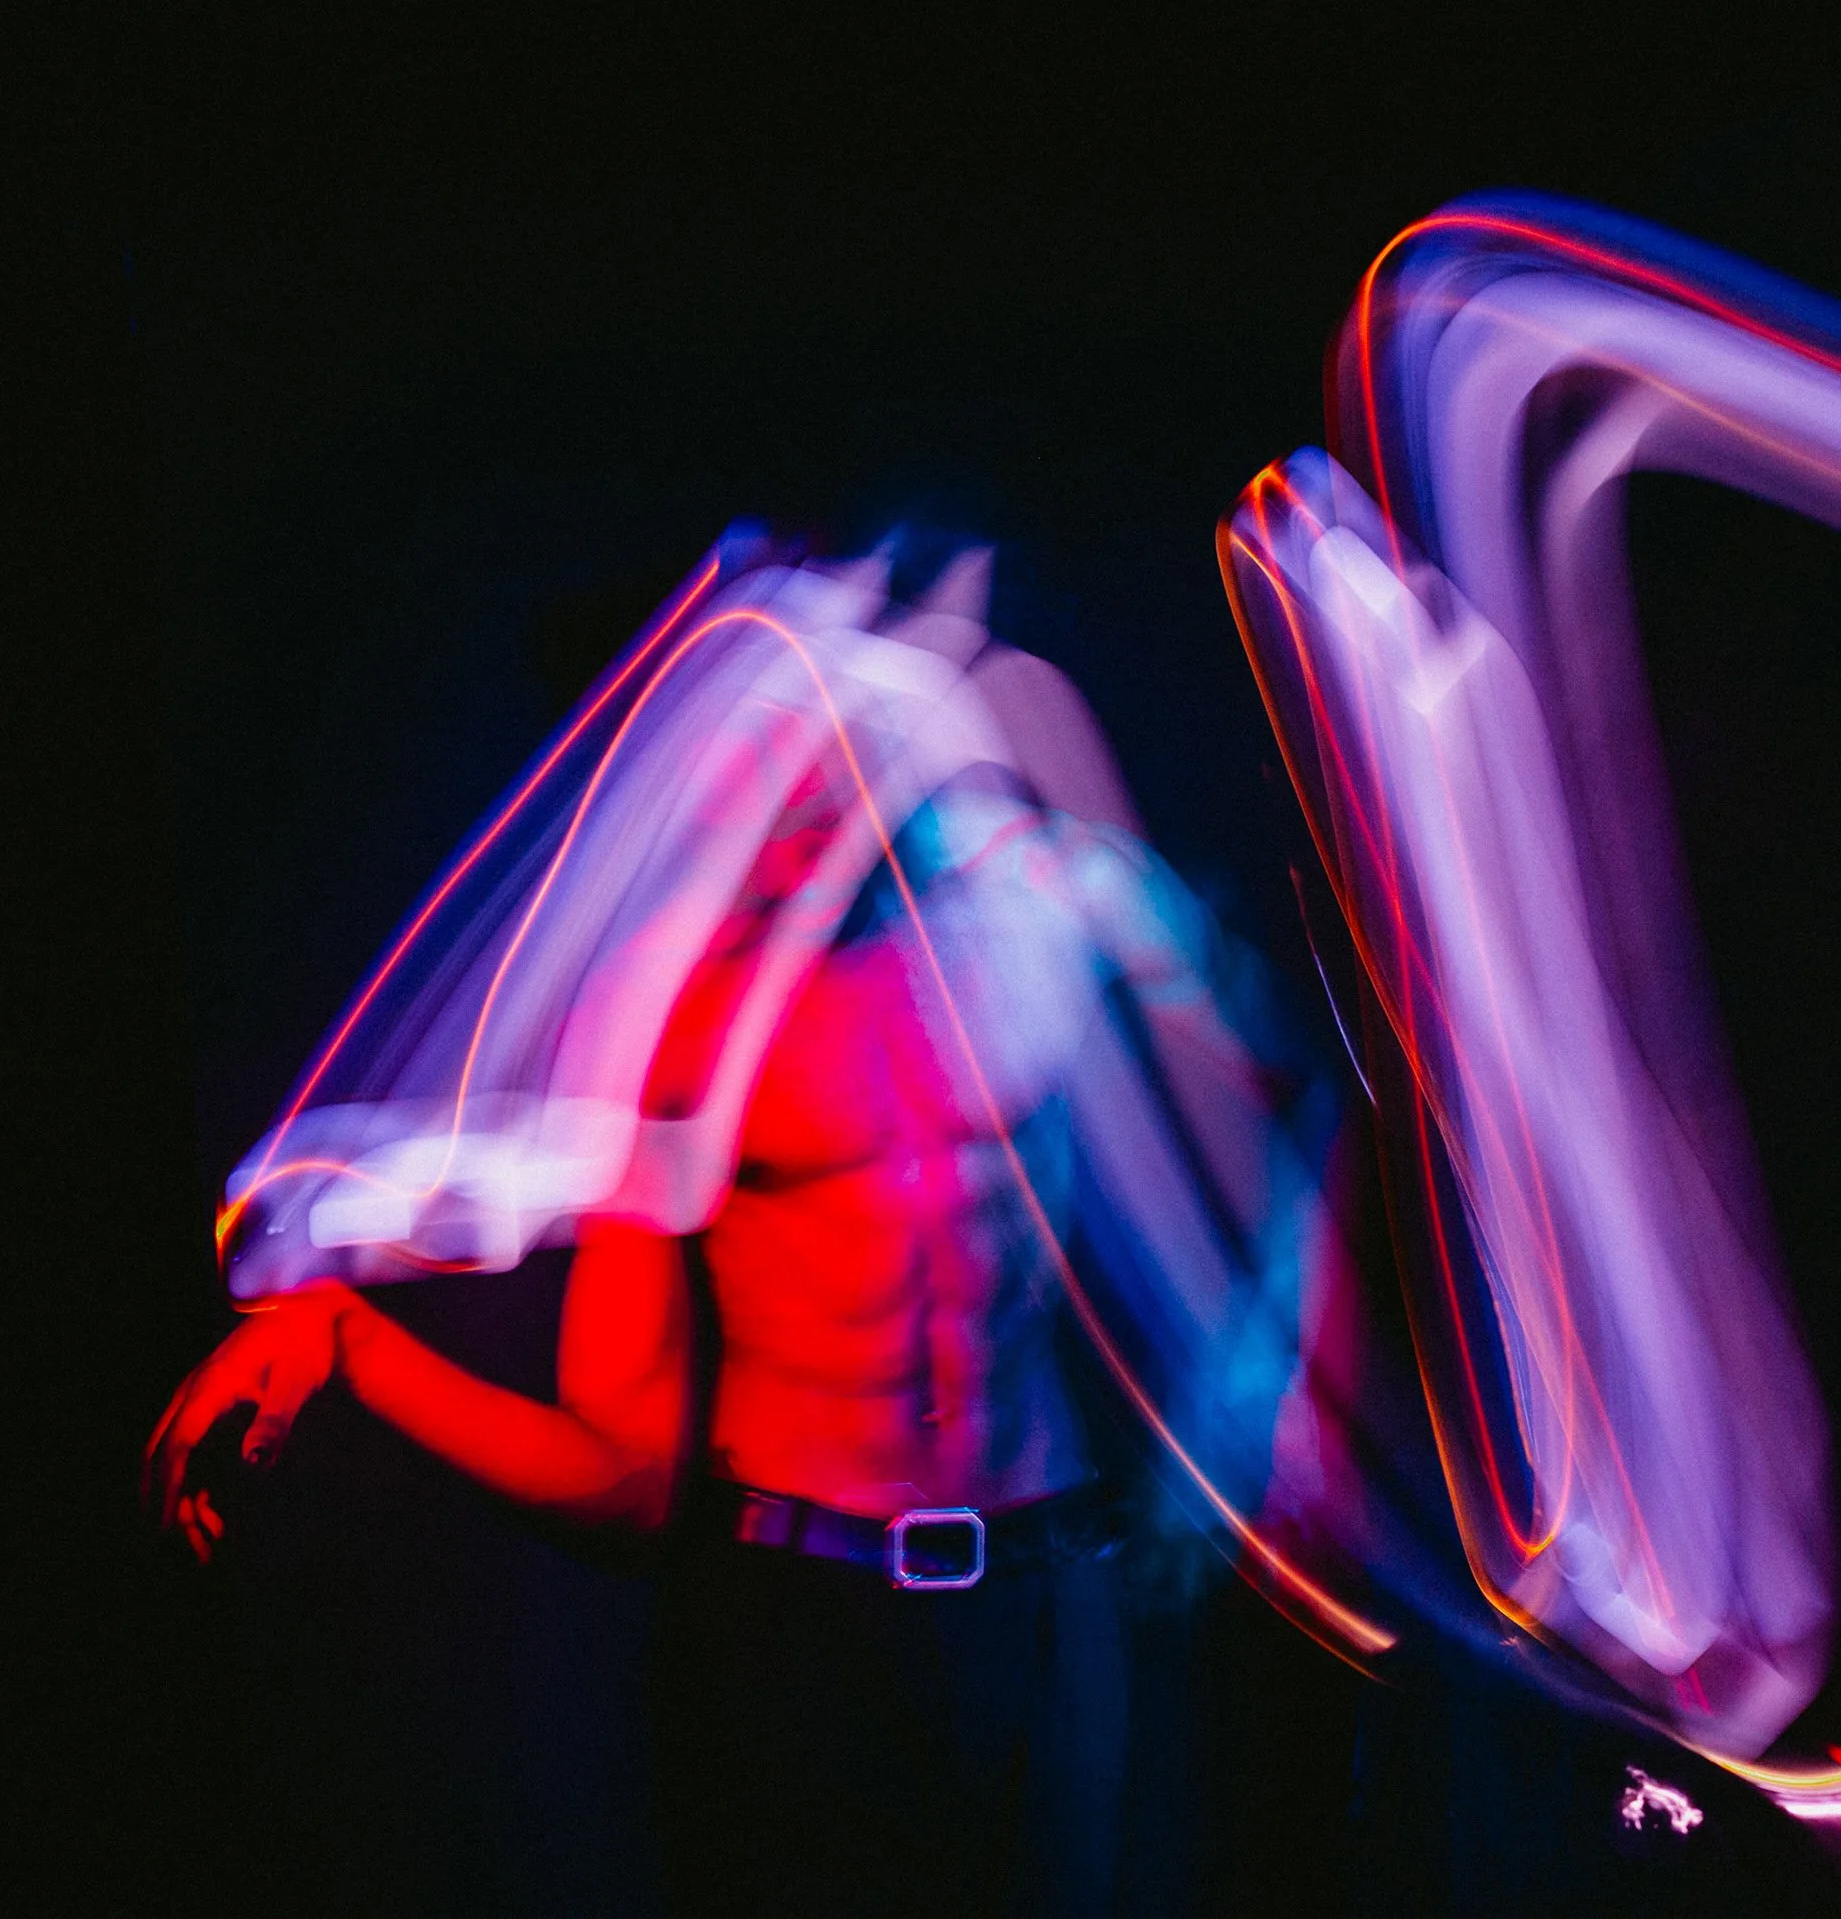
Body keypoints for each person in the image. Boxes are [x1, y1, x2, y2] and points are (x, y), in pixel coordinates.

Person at [148, 540, 1330, 1916]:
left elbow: (1314, 1086)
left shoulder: (1058, 909)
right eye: (712, 741)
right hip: (798, 1637)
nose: (754, 775)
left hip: (1054, 1607)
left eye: (796, 718)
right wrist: (352, 1339)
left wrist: (1253, 1400)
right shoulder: (671, 1023)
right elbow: (631, 1478)